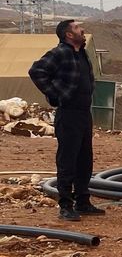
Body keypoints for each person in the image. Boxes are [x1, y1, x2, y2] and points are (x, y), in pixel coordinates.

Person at [28, 19, 105, 221]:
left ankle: (83, 201)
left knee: (84, 159)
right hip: (68, 113)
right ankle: (65, 205)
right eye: (78, 28)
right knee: (67, 161)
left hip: (83, 114)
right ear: (69, 35)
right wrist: (56, 95)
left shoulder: (81, 54)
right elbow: (37, 71)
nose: (82, 30)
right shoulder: (60, 52)